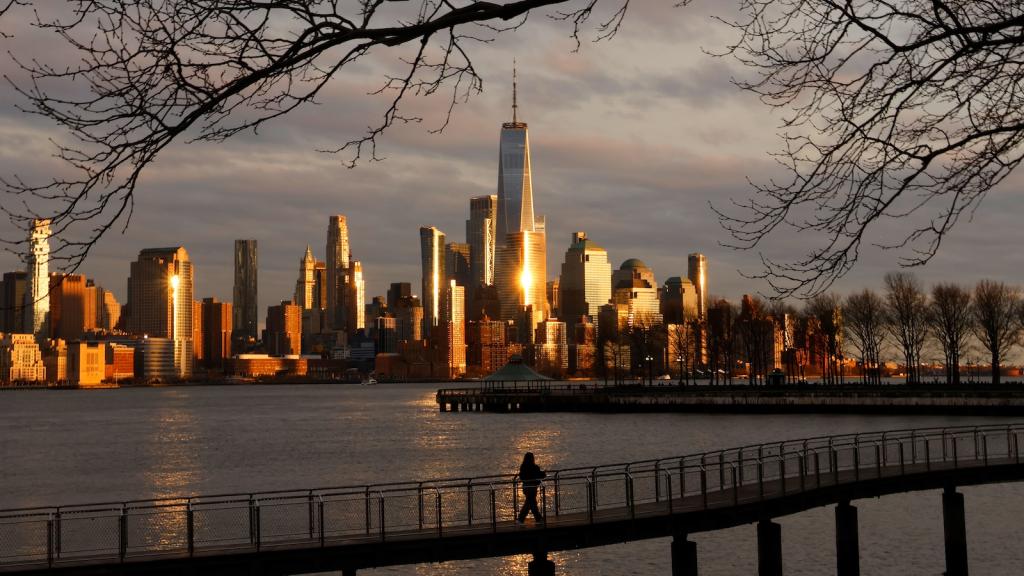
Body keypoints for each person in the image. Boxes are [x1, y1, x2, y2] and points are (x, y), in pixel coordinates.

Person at [516, 452, 546, 523]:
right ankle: (521, 519)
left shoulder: (523, 467)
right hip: (532, 487)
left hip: (525, 487)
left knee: (531, 502)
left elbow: (521, 476)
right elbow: (539, 475)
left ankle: (537, 518)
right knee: (531, 503)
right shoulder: (535, 467)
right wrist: (544, 473)